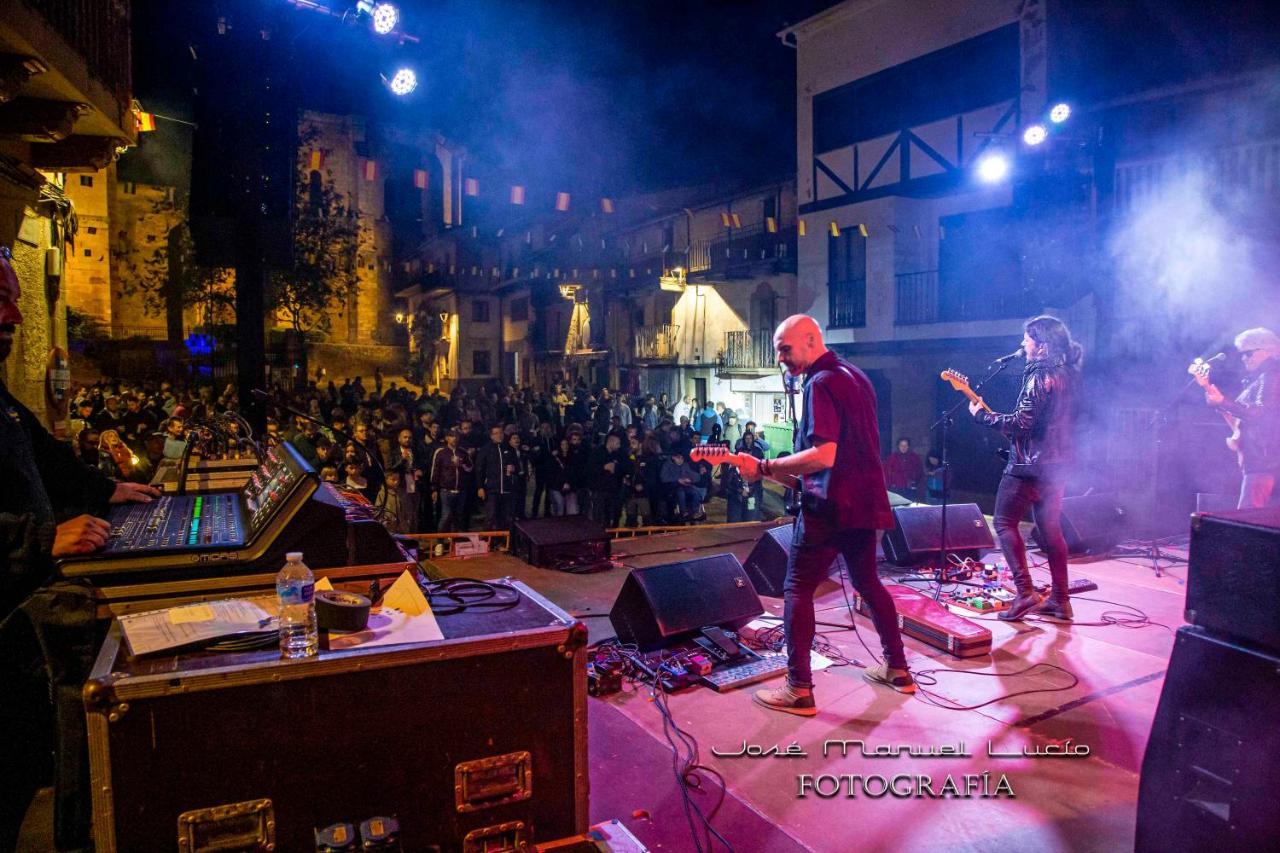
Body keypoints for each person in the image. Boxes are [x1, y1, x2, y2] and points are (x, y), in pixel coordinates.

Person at [0, 247, 159, 850]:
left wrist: (106, 489)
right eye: (0, 300)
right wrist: (41, 539)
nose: (14, 316)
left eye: (16, 298)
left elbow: (42, 454)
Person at [742, 315, 913, 716]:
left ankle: (798, 688)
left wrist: (766, 467)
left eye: (785, 349)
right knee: (868, 582)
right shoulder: (855, 375)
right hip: (866, 502)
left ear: (810, 340)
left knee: (797, 589)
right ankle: (898, 668)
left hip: (830, 505)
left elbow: (825, 455)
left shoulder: (819, 383)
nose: (781, 359)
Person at [971, 315, 1082, 621]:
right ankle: (1061, 599)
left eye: (1027, 338)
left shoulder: (1039, 375)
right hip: (1057, 466)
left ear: (1041, 344)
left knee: (1004, 524)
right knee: (1051, 529)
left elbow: (1023, 423)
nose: (1023, 343)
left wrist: (983, 417)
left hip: (1027, 466)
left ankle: (1024, 593)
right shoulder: (1069, 374)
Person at [1203, 327, 1280, 508]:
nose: (1243, 358)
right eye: (1242, 354)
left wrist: (1223, 401)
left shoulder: (1271, 375)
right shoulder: (1259, 378)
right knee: (1248, 518)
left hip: (1263, 461)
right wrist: (1220, 403)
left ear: (1267, 351)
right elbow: (1243, 419)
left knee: (1247, 521)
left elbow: (1261, 413)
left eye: (1248, 353)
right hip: (1258, 460)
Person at [883, 436, 925, 501]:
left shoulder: (914, 457)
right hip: (896, 489)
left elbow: (920, 473)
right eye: (901, 445)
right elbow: (887, 473)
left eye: (905, 445)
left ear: (908, 446)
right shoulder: (892, 458)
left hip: (910, 490)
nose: (903, 447)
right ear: (898, 446)